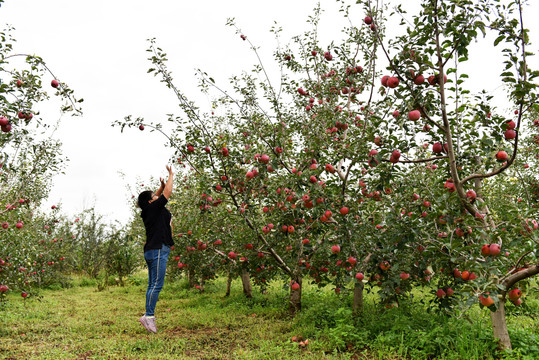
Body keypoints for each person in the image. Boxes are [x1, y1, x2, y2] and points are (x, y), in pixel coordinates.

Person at [137, 165, 174, 333]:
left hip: (154, 249)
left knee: (152, 284)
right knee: (157, 285)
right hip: (158, 249)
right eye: (154, 196)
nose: (157, 195)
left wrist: (160, 186)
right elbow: (166, 195)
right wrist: (171, 174)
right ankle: (149, 316)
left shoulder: (149, 210)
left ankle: (149, 316)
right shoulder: (153, 208)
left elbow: (159, 195)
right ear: (151, 201)